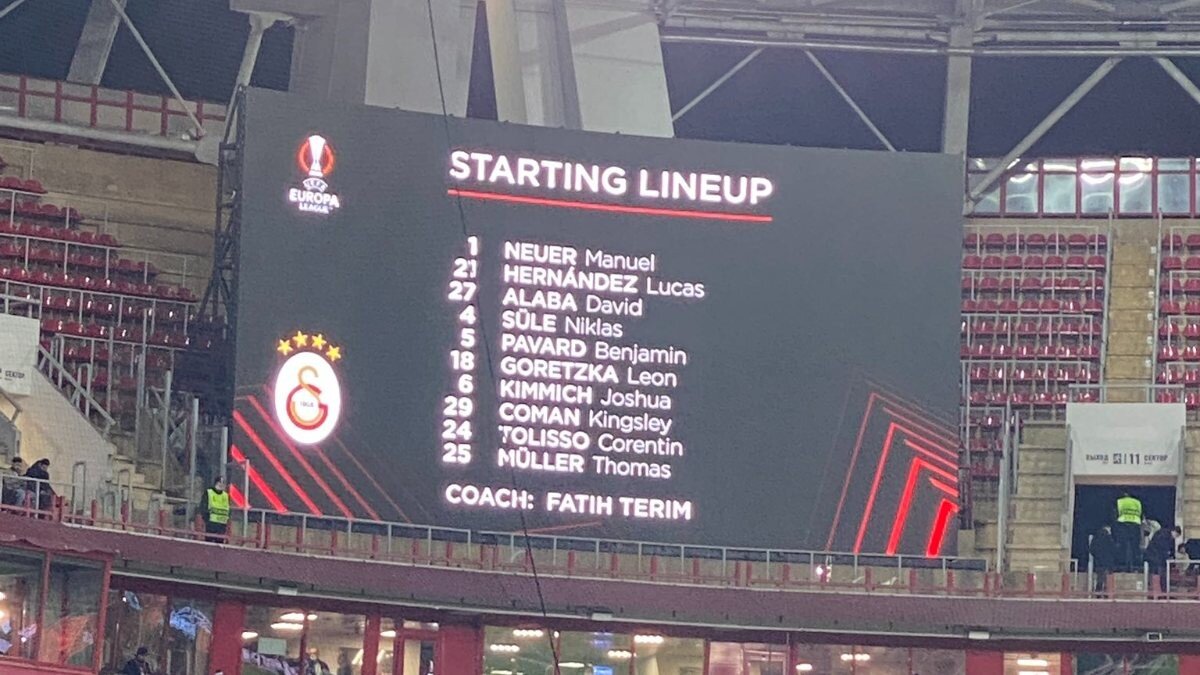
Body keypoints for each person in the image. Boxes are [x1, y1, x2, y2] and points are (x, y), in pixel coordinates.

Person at [1147, 525, 1181, 594]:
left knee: (1159, 572)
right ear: (1174, 531)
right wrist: (1167, 555)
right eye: (1176, 535)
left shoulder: (1165, 535)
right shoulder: (1165, 535)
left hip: (1156, 556)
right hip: (1155, 557)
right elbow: (1161, 547)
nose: (1175, 537)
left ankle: (1161, 589)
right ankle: (1161, 589)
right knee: (1159, 572)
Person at [1114, 491, 1143, 572]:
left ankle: (1123, 566)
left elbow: (1115, 514)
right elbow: (1140, 514)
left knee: (1123, 546)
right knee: (1134, 547)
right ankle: (1134, 565)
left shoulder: (1120, 501)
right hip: (1135, 524)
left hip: (1123, 523)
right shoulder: (1137, 502)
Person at [198, 476, 230, 543]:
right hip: (211, 524)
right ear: (216, 483)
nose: (221, 484)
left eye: (223, 483)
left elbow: (228, 510)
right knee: (209, 543)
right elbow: (203, 507)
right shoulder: (209, 493)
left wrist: (227, 524)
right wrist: (206, 520)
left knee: (219, 545)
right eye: (219, 482)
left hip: (221, 525)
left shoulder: (225, 495)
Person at [1089, 525, 1117, 593]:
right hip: (1107, 562)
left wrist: (1097, 556)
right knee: (1107, 579)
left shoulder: (1096, 537)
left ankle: (1098, 593)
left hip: (1099, 562)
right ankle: (1106, 593)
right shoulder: (1108, 538)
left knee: (1100, 578)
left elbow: (1091, 549)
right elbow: (1113, 549)